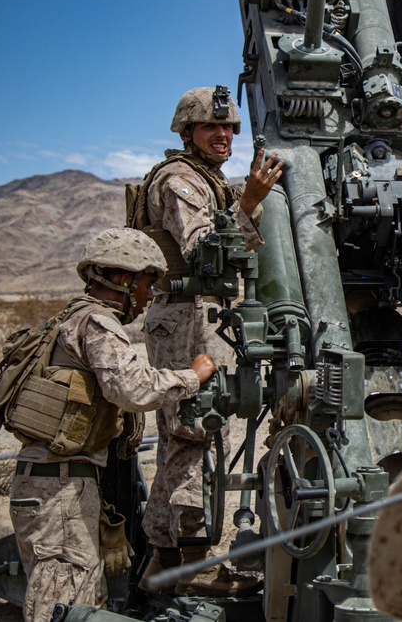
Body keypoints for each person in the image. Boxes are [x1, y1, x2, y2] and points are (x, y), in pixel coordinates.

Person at [5, 228, 217, 622]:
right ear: (123, 279)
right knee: (63, 607)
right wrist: (193, 375)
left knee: (82, 599)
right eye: (147, 283)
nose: (150, 295)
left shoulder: (70, 317)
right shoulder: (97, 324)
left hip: (58, 482)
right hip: (59, 489)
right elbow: (133, 391)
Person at [127, 86, 284, 596]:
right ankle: (190, 565)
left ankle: (163, 563)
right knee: (195, 430)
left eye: (230, 129)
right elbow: (203, 253)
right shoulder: (180, 181)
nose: (223, 136)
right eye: (212, 128)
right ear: (187, 132)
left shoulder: (205, 179)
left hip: (193, 316)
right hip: (186, 319)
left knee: (180, 438)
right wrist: (251, 202)